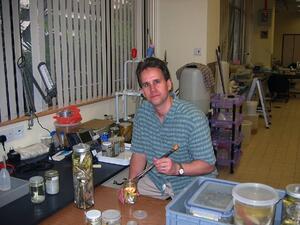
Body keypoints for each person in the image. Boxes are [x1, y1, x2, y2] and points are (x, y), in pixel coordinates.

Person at [121, 57, 216, 201]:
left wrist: (177, 169)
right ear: (142, 91)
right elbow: (139, 154)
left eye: (157, 82)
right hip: (158, 181)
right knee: (127, 200)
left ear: (169, 84)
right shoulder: (142, 114)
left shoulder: (193, 117)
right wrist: (131, 183)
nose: (152, 89)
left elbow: (208, 165)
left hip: (192, 181)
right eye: (146, 85)